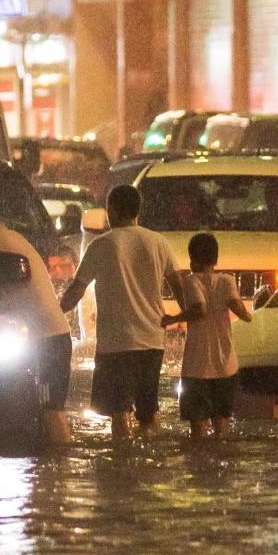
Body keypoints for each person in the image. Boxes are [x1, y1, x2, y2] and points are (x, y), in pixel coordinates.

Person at [60, 185, 187, 439]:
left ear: (112, 211)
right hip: (153, 342)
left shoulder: (102, 244)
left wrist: (54, 314)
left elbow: (77, 289)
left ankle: (123, 466)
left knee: (119, 413)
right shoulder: (158, 242)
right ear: (137, 211)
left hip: (116, 345)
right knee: (148, 414)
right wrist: (187, 318)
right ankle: (148, 464)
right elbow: (178, 285)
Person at [0, 214, 73, 446]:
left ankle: (61, 462)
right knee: (50, 409)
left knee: (50, 410)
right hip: (51, 336)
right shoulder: (10, 235)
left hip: (44, 339)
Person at [161, 233, 252, 440]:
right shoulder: (227, 280)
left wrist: (173, 318)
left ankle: (201, 468)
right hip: (226, 365)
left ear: (192, 260)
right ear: (216, 259)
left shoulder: (191, 281)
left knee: (197, 430)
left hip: (197, 367)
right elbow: (239, 309)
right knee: (222, 425)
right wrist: (250, 316)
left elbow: (199, 309)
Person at [47, 245, 82, 340]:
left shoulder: (86, 288)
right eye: (51, 267)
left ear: (73, 265)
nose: (52, 271)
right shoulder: (50, 289)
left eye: (57, 266)